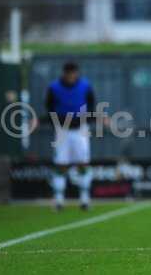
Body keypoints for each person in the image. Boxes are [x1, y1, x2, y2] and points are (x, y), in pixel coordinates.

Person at [45, 62, 95, 211]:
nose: (72, 76)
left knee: (83, 162)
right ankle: (59, 200)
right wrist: (56, 121)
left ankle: (85, 199)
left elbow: (92, 104)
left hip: (80, 129)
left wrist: (86, 118)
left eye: (74, 73)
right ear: (64, 73)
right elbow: (49, 106)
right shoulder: (54, 88)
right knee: (61, 164)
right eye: (69, 73)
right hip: (62, 130)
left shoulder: (85, 86)